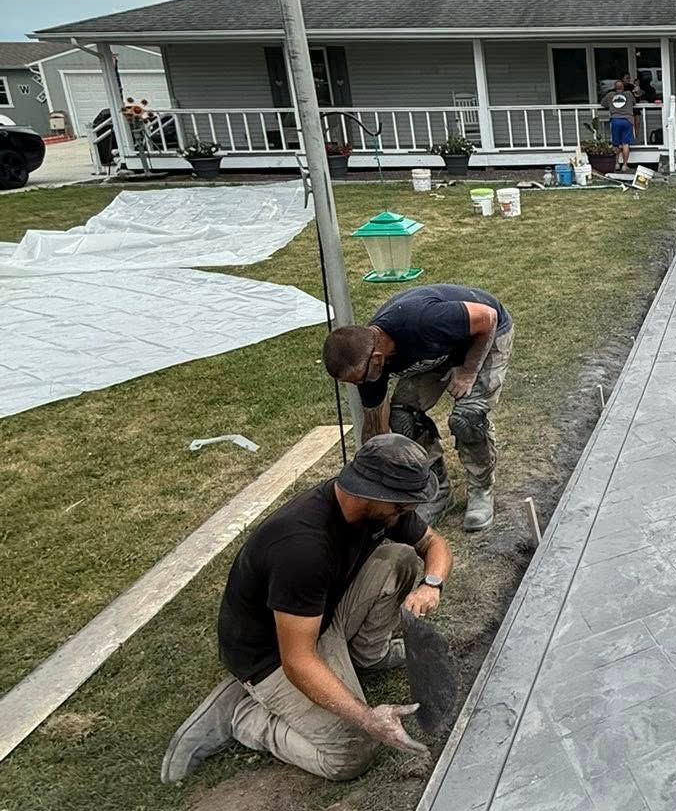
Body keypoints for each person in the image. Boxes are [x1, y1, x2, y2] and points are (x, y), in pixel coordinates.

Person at [160, 434, 453, 785]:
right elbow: (298, 660)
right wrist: (366, 718)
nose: (408, 513)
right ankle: (242, 714)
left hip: (317, 615)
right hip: (271, 653)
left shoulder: (378, 509)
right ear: (374, 494)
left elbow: (433, 544)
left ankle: (367, 657)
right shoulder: (302, 548)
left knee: (401, 559)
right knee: (351, 753)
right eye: (402, 506)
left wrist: (431, 583)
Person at [323, 285, 513, 532]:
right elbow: (377, 431)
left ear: (378, 358)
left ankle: (481, 488)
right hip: (438, 350)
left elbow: (487, 317)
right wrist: (374, 483)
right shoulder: (367, 366)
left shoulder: (421, 321)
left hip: (484, 335)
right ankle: (437, 490)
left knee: (467, 417)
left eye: (358, 379)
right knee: (402, 416)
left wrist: (468, 372)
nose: (359, 385)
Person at [601, 72, 639, 170]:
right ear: (623, 87)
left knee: (616, 143)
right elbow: (634, 102)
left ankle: (617, 163)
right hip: (627, 121)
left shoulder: (610, 95)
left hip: (615, 120)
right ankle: (625, 165)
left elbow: (603, 104)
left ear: (615, 87)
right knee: (626, 143)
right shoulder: (629, 94)